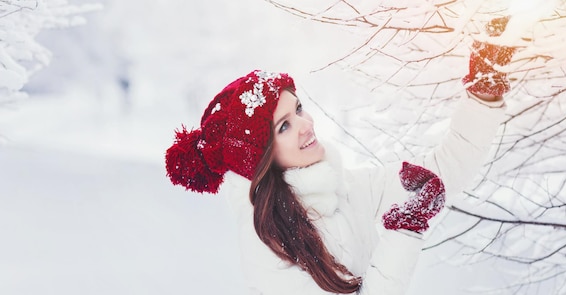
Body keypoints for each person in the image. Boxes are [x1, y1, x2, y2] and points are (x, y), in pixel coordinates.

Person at [165, 17, 515, 295]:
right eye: (284, 126)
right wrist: (403, 233)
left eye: (299, 109)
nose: (305, 125)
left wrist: (482, 96)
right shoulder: (265, 243)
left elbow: (444, 173)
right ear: (262, 159)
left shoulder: (345, 189)